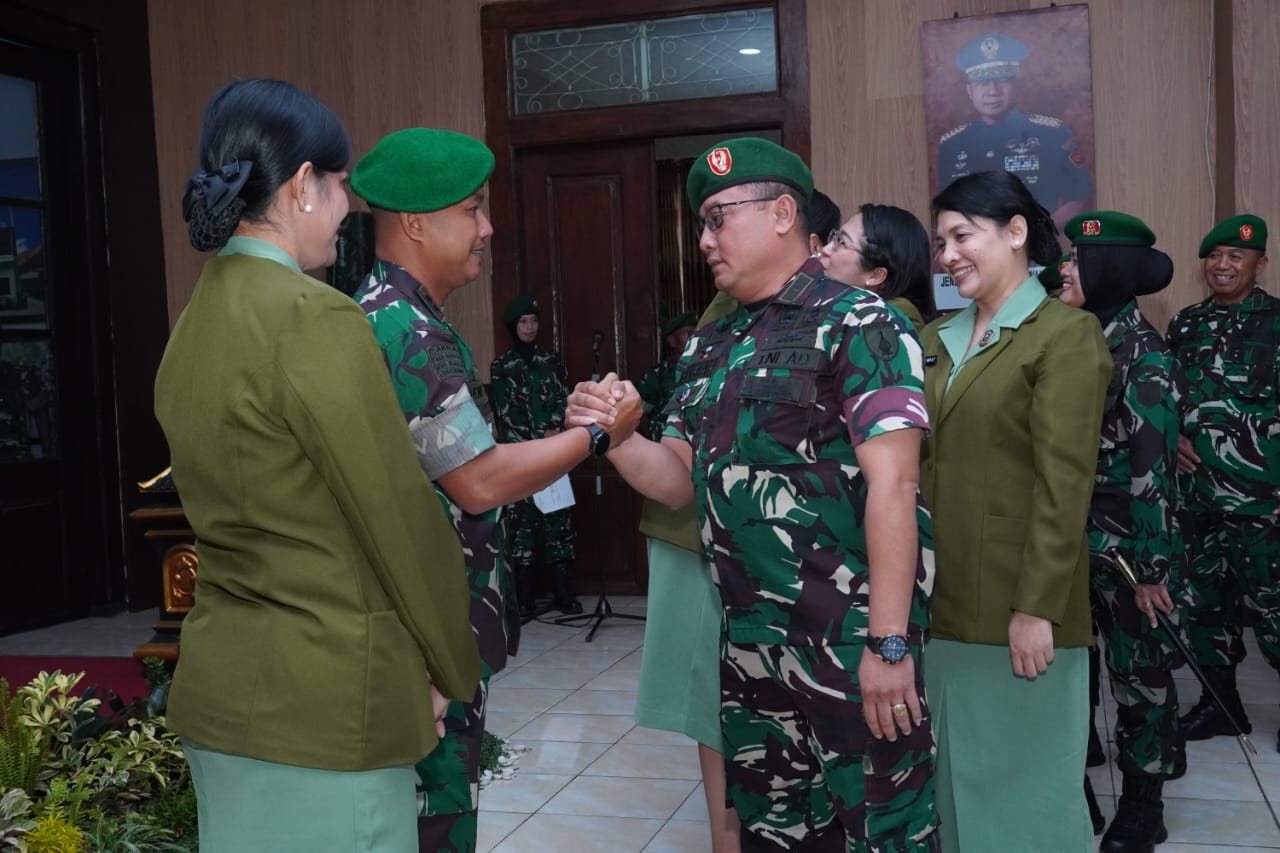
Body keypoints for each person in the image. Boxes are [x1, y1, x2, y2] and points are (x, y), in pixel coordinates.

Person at [568, 137, 939, 851]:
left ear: (782, 214)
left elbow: (895, 484)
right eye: (701, 224)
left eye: (719, 218)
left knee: (886, 832)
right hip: (749, 646)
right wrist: (614, 435)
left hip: (847, 641)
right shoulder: (710, 343)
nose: (705, 241)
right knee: (775, 834)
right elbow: (676, 478)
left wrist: (889, 644)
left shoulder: (861, 321)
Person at [154, 80, 481, 853]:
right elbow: (397, 519)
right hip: (329, 709)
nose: (346, 209)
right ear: (303, 184)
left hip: (224, 696)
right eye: (340, 185)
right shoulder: (312, 315)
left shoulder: (194, 322)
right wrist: (448, 668)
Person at [348, 127, 641, 852]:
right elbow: (478, 481)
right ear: (416, 223)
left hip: (431, 615)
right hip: (424, 625)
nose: (486, 228)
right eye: (471, 210)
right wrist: (597, 436)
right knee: (434, 818)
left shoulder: (401, 314)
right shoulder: (405, 327)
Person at [921, 169, 1111, 851]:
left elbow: (1065, 486)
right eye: (941, 242)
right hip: (939, 605)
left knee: (1026, 802)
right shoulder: (936, 338)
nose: (948, 255)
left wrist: (1036, 607)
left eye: (962, 236)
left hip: (1018, 612)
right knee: (953, 793)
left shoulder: (1064, 335)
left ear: (1016, 232)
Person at [1055, 211, 1184, 852]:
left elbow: (1153, 474)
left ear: (1109, 269)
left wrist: (1153, 572)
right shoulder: (1078, 338)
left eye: (1078, 260)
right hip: (1074, 544)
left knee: (1139, 679)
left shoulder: (1143, 355)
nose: (1064, 269)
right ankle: (1071, 782)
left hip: (1128, 553)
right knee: (1069, 669)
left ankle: (1144, 803)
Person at [1167, 214, 1279, 750]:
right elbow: (1165, 396)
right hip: (1198, 498)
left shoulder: (1276, 323)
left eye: (1236, 256)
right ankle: (1221, 706)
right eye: (1214, 256)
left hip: (1263, 501)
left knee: (1273, 609)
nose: (1223, 265)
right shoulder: (1186, 325)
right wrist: (1172, 437)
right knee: (1204, 606)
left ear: (1260, 263)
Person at [936, 32, 1093, 230]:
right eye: (983, 83)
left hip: (1038, 246)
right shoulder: (953, 145)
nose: (993, 91)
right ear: (970, 91)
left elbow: (1079, 199)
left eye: (1002, 80)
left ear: (1018, 86)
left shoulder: (1052, 135)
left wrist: (1038, 233)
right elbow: (947, 211)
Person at [490, 294, 583, 616]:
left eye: (533, 321)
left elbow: (563, 399)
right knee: (522, 527)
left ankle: (564, 596)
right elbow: (504, 409)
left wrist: (553, 428)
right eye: (523, 322)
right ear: (513, 327)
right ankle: (525, 601)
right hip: (520, 455)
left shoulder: (552, 361)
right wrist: (536, 436)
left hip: (553, 452)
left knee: (559, 524)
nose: (529, 327)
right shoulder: (501, 366)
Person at [820, 203, 938, 331]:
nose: (825, 250)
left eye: (842, 242)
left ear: (876, 276)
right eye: (834, 237)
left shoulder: (889, 326)